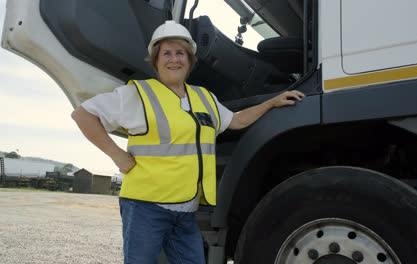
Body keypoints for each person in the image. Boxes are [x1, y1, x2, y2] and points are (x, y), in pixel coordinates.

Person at [71, 20, 305, 264]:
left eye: (180, 53)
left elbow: (235, 120)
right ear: (156, 60)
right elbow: (83, 115)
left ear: (190, 60)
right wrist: (116, 154)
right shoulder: (138, 94)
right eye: (167, 53)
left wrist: (271, 103)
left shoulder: (204, 97)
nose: (174, 59)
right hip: (145, 207)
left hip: (185, 211)